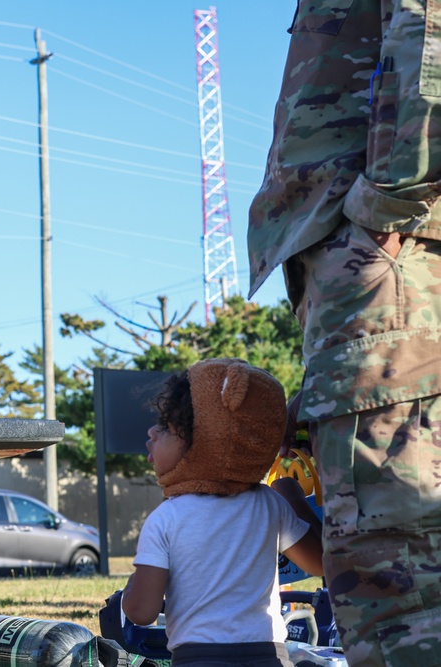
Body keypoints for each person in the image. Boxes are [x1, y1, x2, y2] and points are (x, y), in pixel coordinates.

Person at [247, 3, 441, 665]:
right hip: (379, 272)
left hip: (386, 266)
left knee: (402, 610)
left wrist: (392, 198)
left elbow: (425, 24)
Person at [122, 358, 323, 667]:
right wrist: (294, 498)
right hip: (269, 656)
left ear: (204, 442)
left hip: (197, 658)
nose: (151, 432)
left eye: (165, 426)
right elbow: (321, 562)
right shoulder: (270, 504)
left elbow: (141, 612)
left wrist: (132, 588)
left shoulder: (166, 518)